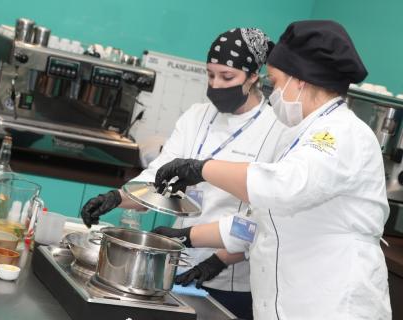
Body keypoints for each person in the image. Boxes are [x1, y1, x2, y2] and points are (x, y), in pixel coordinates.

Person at [152, 20, 392, 320]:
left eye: (276, 82)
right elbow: (257, 223)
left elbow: (282, 189)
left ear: (300, 80)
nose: (272, 91)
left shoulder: (341, 133)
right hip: (287, 305)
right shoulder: (301, 135)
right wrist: (188, 236)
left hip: (332, 306)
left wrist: (203, 169)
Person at [81, 28, 290, 319]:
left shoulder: (277, 131)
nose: (216, 85)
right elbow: (159, 180)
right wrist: (116, 198)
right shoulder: (197, 116)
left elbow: (263, 220)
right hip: (177, 267)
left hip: (233, 281)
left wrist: (217, 261)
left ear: (254, 75)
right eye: (210, 74)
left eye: (227, 77)